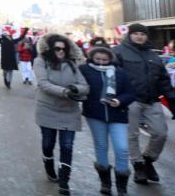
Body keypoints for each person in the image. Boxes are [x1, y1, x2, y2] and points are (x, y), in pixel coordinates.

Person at [112, 23, 175, 185]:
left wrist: (172, 100)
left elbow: (163, 79)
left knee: (160, 133)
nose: (139, 36)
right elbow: (112, 76)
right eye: (136, 33)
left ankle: (148, 160)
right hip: (130, 100)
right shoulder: (118, 51)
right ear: (130, 35)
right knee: (132, 135)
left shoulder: (153, 54)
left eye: (142, 34)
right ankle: (138, 166)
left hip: (152, 99)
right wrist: (115, 97)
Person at [35, 32, 89, 195]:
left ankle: (64, 182)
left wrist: (75, 89)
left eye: (63, 49)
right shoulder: (40, 61)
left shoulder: (72, 64)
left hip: (69, 111)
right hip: (47, 109)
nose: (60, 52)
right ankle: (49, 166)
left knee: (67, 146)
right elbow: (43, 83)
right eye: (57, 49)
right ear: (50, 49)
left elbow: (84, 86)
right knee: (48, 144)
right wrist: (64, 91)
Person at [80, 46, 136, 195]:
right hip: (95, 114)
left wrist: (119, 101)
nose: (101, 62)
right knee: (101, 146)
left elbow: (130, 93)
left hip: (118, 115)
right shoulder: (84, 70)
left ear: (110, 59)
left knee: (122, 149)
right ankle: (106, 183)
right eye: (97, 59)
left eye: (104, 60)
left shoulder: (120, 72)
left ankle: (122, 187)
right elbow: (79, 87)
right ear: (91, 58)